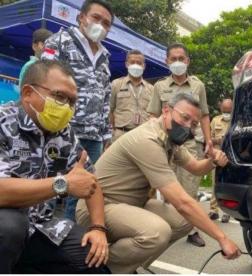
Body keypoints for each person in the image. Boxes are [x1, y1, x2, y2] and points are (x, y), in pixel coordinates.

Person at [76, 93, 241, 274]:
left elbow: (195, 167)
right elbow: (182, 202)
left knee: (184, 222)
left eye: (194, 124)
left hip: (131, 204)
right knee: (157, 232)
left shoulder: (169, 138)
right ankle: (98, 269)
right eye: (184, 118)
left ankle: (129, 266)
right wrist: (222, 238)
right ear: (166, 111)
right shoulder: (148, 140)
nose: (187, 126)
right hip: (98, 208)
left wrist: (213, 160)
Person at [0, 60, 109, 273]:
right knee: (10, 227)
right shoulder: (3, 122)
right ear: (28, 93)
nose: (66, 107)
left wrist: (98, 227)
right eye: (59, 96)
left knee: (92, 258)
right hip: (6, 225)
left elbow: (90, 182)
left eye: (72, 101)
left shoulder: (64, 134)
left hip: (42, 227)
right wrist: (63, 183)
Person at [42, 0, 114, 221]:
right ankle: (39, 233)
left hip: (92, 136)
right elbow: (43, 81)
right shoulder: (60, 41)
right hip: (61, 128)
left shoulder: (105, 56)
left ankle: (70, 234)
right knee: (51, 183)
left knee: (83, 189)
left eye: (106, 23)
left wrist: (106, 134)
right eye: (95, 18)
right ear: (81, 17)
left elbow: (104, 96)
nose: (100, 25)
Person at [147, 43, 212, 247]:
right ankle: (166, 228)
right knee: (167, 189)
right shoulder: (159, 86)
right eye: (173, 59)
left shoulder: (197, 86)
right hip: (165, 146)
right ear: (167, 61)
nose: (177, 62)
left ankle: (191, 230)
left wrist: (209, 141)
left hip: (190, 144)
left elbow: (204, 115)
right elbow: (152, 115)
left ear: (187, 61)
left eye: (181, 59)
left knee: (190, 188)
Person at [110, 50, 153, 142]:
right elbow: (110, 110)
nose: (136, 65)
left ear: (144, 66)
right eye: (132, 62)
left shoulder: (151, 89)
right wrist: (113, 131)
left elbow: (154, 114)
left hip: (144, 136)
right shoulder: (116, 84)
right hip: (121, 134)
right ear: (126, 64)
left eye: (139, 63)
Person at [208, 98, 232, 223]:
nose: (226, 113)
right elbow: (209, 139)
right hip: (217, 156)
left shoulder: (235, 120)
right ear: (221, 109)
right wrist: (218, 140)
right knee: (215, 183)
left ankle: (226, 212)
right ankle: (213, 210)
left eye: (229, 110)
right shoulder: (215, 120)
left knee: (228, 183)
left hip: (230, 157)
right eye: (225, 110)